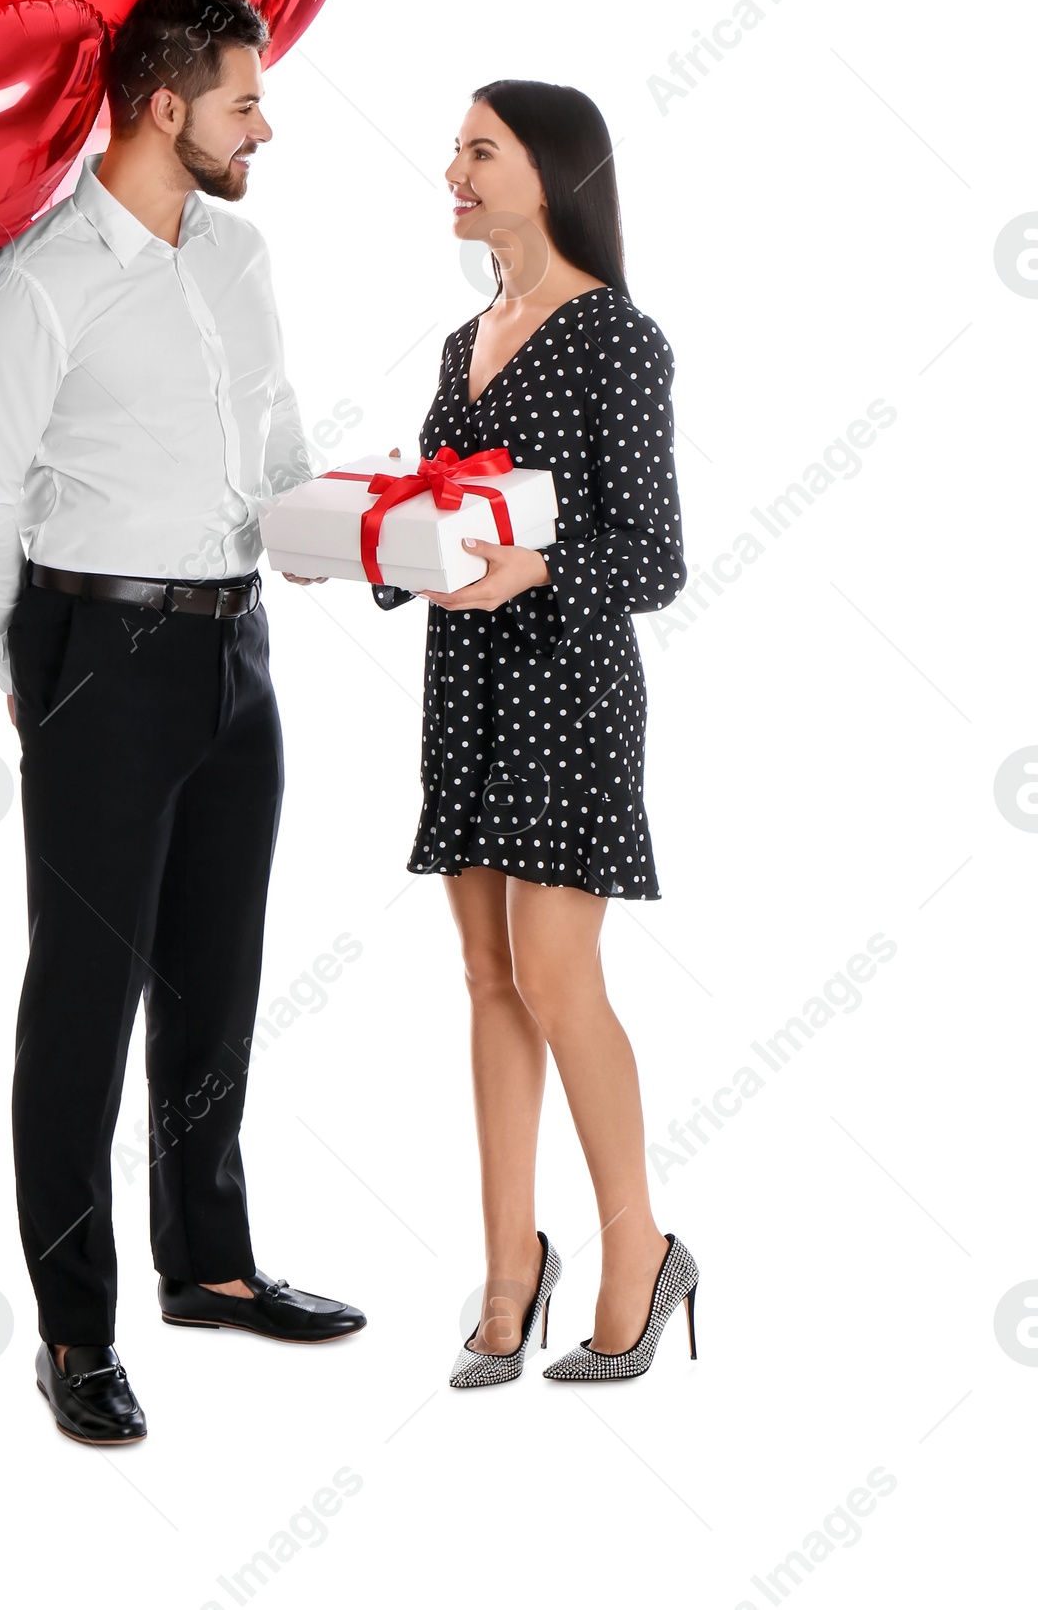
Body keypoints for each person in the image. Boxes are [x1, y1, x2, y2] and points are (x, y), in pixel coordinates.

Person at [0, 0, 365, 1447]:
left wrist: (372, 539)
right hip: (98, 651)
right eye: (247, 99)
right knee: (81, 1007)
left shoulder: (237, 256)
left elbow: (279, 436)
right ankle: (73, 1330)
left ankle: (212, 1264)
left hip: (236, 648)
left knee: (217, 980)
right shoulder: (34, 284)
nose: (266, 124)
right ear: (165, 107)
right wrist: (23, 664)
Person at [375, 78, 700, 1388]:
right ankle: (512, 1267)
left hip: (568, 681)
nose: (452, 163)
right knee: (488, 979)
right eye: (454, 144)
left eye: (480, 147)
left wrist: (537, 570)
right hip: (468, 681)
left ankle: (643, 1253)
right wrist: (364, 546)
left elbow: (656, 557)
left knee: (558, 975)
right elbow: (445, 516)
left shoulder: (617, 337)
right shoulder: (465, 342)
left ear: (551, 171)